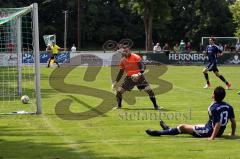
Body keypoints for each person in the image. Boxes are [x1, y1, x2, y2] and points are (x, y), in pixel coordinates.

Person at [146, 86, 236, 140]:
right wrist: (232, 133)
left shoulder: (214, 107)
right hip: (211, 129)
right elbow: (233, 122)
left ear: (214, 95)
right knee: (187, 128)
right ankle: (169, 129)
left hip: (209, 131)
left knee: (182, 126)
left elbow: (218, 124)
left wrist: (212, 137)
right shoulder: (229, 106)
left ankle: (158, 133)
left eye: (213, 93)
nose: (211, 94)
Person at [112, 46, 160, 110]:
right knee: (119, 91)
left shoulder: (135, 57)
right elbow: (121, 72)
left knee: (149, 90)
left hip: (139, 77)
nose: (126, 52)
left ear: (129, 51)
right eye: (124, 51)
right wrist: (115, 82)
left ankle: (156, 106)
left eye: (127, 51)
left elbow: (143, 66)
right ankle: (119, 106)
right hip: (129, 78)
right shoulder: (122, 60)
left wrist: (138, 74)